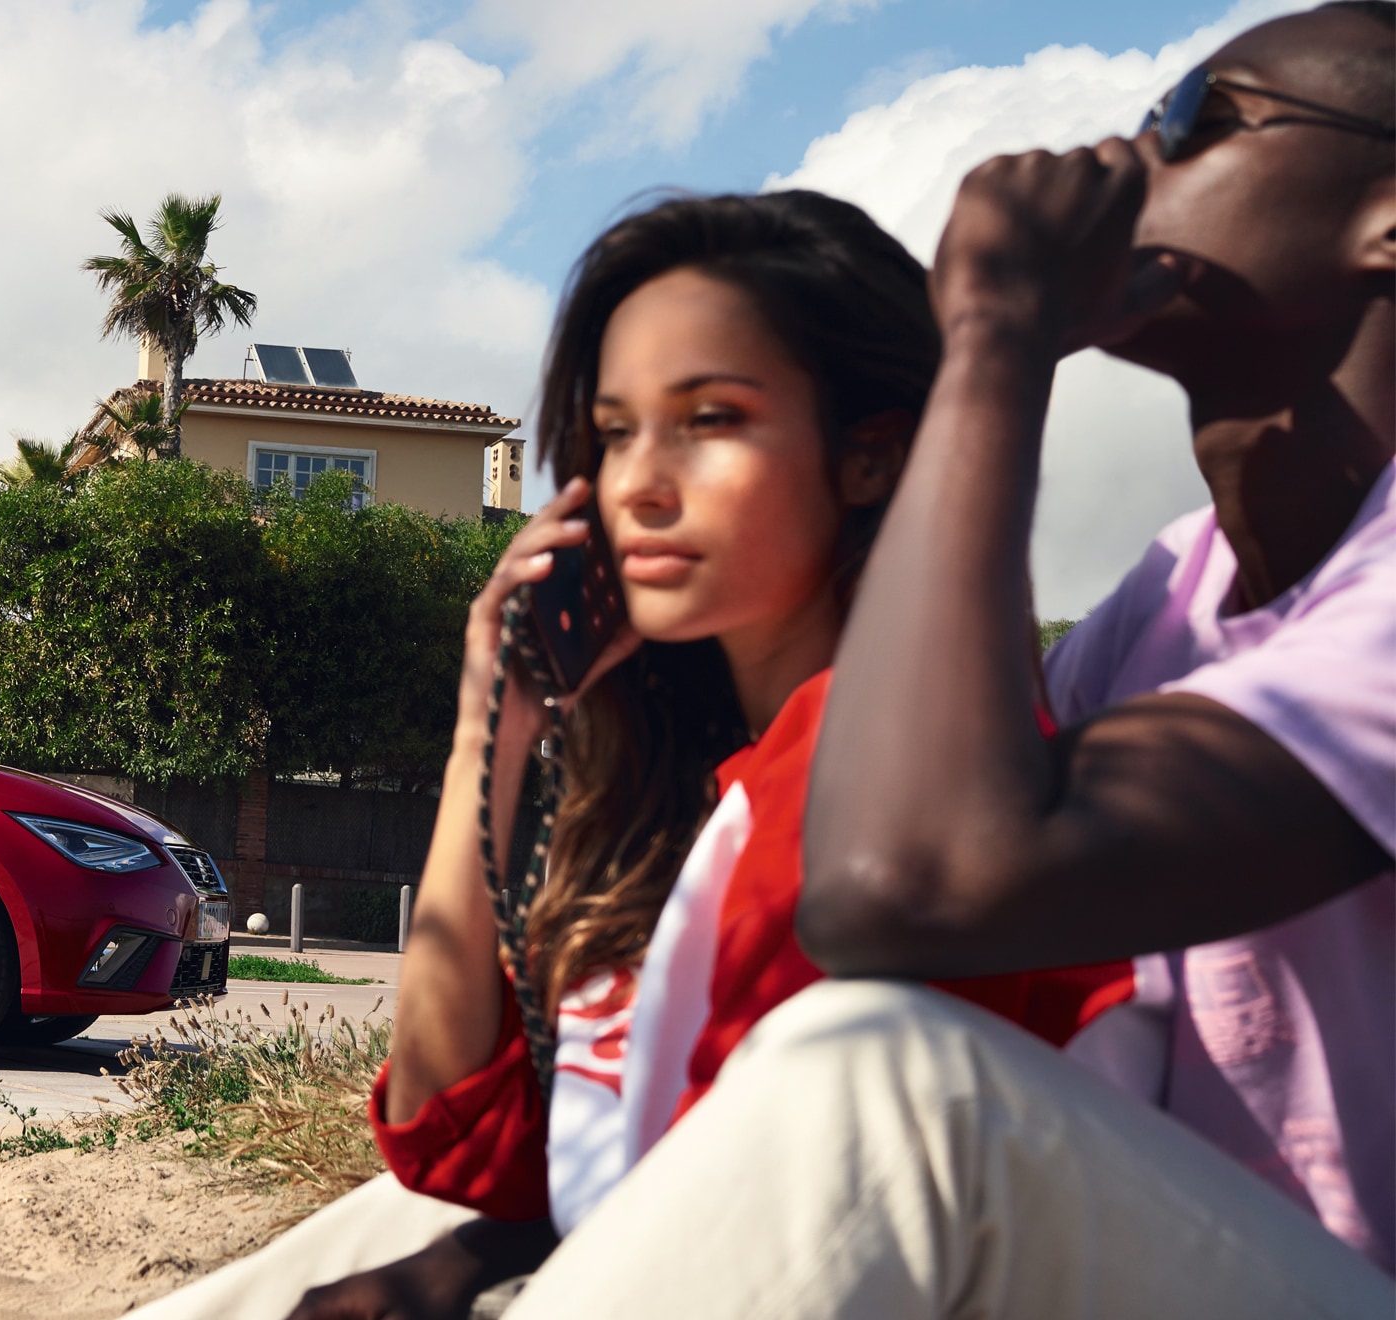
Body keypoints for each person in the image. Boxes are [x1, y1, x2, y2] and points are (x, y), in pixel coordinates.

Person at [467, 4, 1395, 1315]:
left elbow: (907, 880)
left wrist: (999, 330)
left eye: (1196, 120)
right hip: (1152, 1254)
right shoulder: (1168, 598)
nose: (1120, 160)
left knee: (875, 1065)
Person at [125, 190, 1130, 1320]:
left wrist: (460, 1266)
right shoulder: (680, 799)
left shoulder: (923, 772)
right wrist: (486, 731)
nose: (639, 485)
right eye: (611, 435)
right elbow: (453, 1140)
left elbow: (789, 1192)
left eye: (710, 420)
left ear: (872, 456)